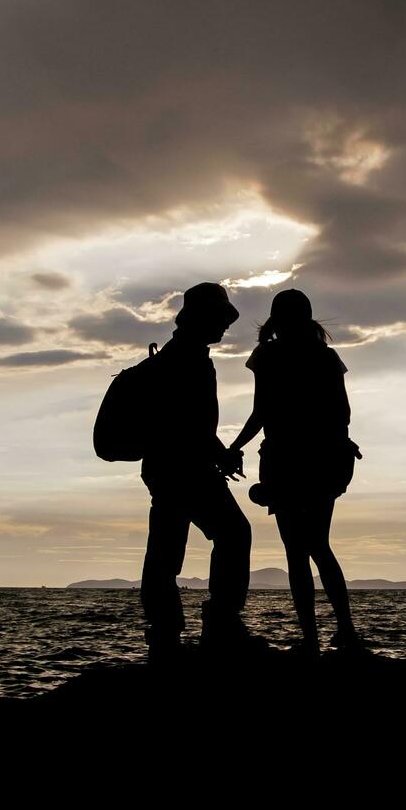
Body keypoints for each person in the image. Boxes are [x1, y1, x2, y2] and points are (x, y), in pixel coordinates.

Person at [228, 289, 364, 656]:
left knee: (296, 552)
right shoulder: (326, 358)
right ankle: (346, 631)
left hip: (284, 460)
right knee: (319, 545)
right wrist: (339, 444)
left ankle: (311, 640)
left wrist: (234, 446)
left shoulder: (267, 356)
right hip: (324, 459)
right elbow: (343, 413)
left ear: (276, 318)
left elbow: (260, 412)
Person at [139, 282, 263, 660]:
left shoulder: (181, 356)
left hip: (171, 468)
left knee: (166, 549)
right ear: (200, 317)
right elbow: (187, 425)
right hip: (183, 469)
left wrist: (218, 452)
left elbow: (191, 426)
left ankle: (168, 633)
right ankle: (216, 625)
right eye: (221, 318)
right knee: (232, 534)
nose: (225, 326)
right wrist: (220, 453)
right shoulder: (186, 360)